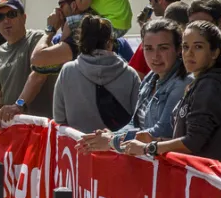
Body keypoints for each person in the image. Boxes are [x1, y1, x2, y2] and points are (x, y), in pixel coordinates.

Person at [123, 20, 221, 165]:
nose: (189, 53)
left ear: (214, 52)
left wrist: (149, 147)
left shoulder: (209, 86)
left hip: (208, 178)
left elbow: (193, 142)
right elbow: (190, 138)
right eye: (185, 47)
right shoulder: (202, 82)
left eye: (198, 47)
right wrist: (156, 140)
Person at [80, 17, 190, 153]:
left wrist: (111, 140)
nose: (155, 56)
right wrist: (110, 136)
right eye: (148, 49)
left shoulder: (183, 83)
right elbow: (134, 123)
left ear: (178, 49)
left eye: (163, 48)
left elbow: (160, 132)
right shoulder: (150, 77)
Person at [52, 16, 140, 134]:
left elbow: (59, 118)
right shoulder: (130, 74)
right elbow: (139, 119)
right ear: (110, 43)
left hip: (76, 148)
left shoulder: (67, 71)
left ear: (81, 40)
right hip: (117, 149)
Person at [0, 0, 49, 134]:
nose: (6, 20)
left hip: (39, 131)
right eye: (0, 17)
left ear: (23, 18)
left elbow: (38, 77)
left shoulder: (37, 39)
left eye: (12, 14)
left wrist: (18, 105)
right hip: (14, 133)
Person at [130, 0, 183, 77]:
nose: (150, 3)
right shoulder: (191, 31)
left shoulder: (153, 39)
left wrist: (148, 36)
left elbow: (135, 76)